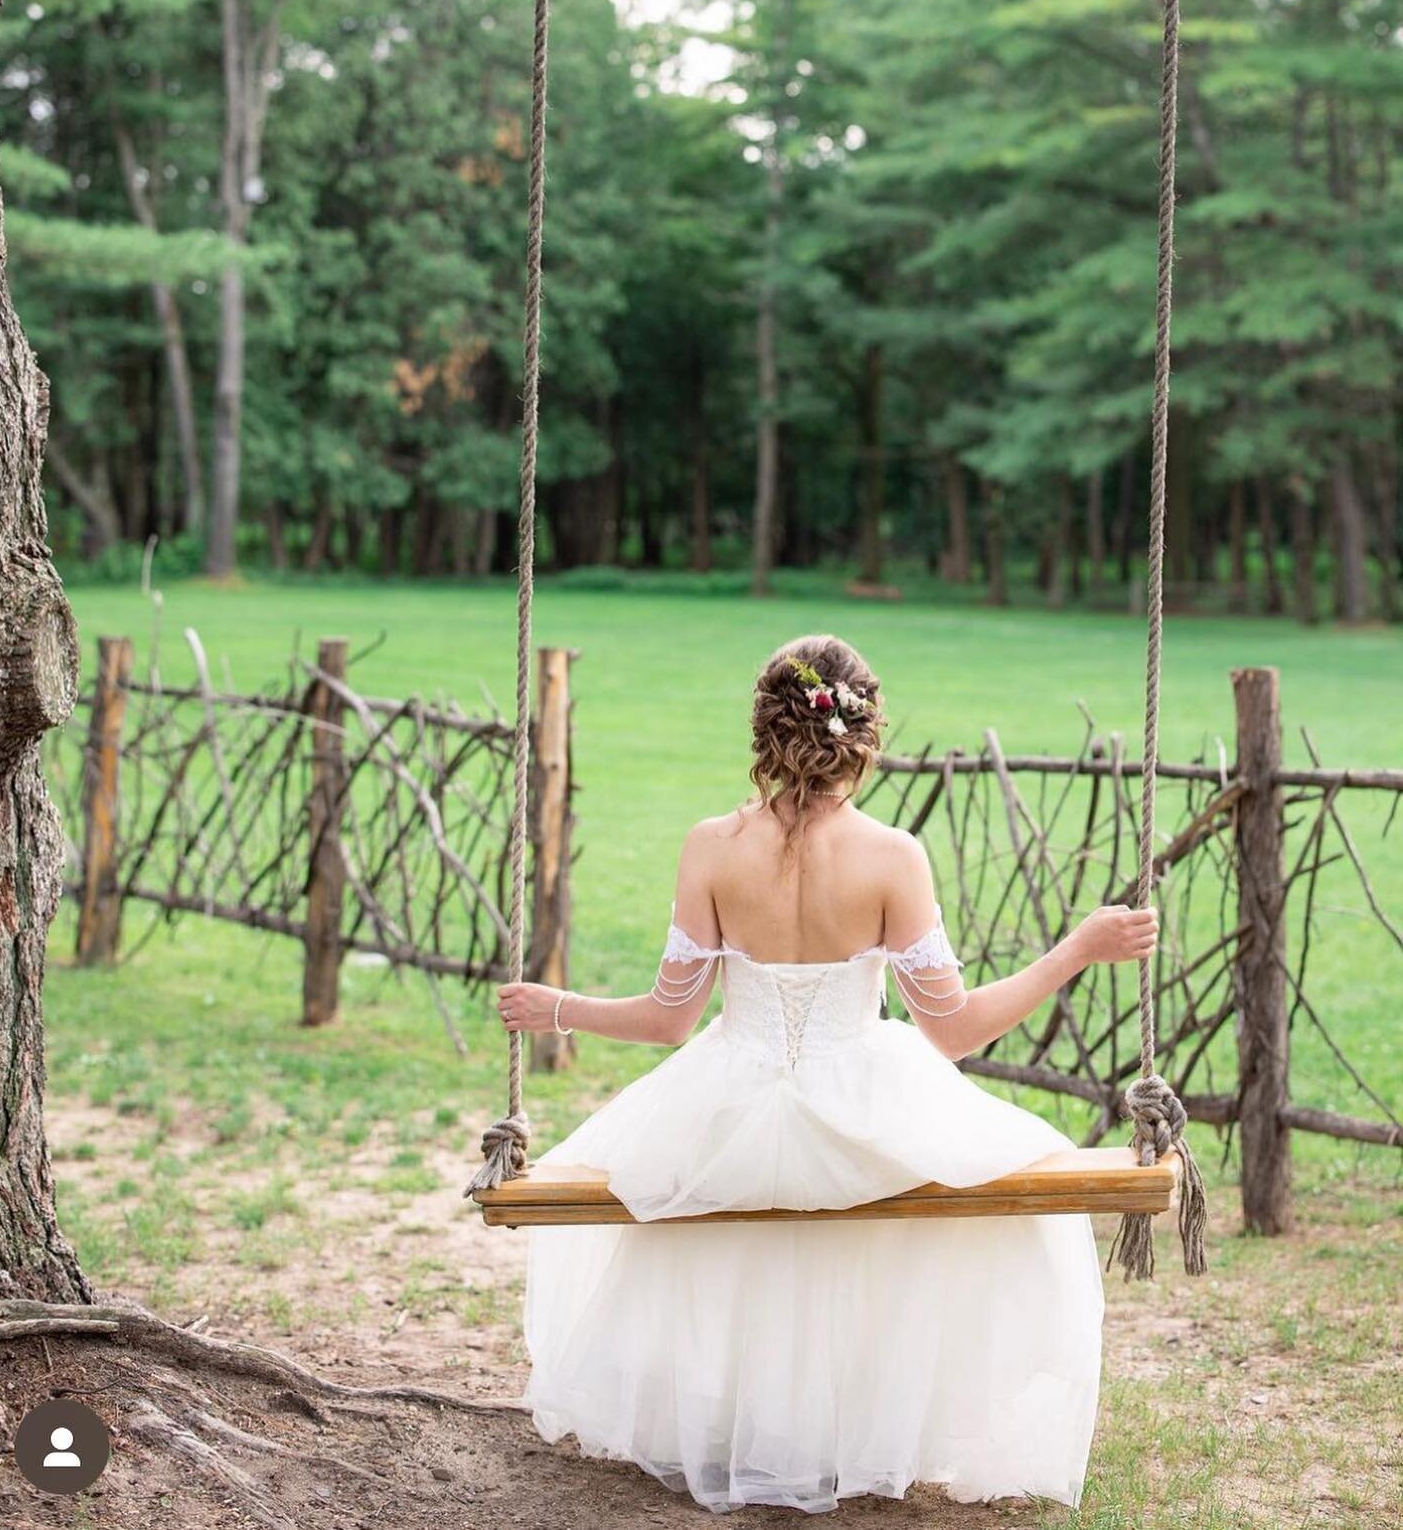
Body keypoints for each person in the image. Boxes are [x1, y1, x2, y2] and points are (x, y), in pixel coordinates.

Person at [495, 634, 1157, 1514]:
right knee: (996, 1191)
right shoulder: (893, 856)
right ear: (865, 733)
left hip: (728, 1096)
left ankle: (750, 1426)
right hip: (862, 1096)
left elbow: (670, 1017)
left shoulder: (711, 847)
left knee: (724, 1222)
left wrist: (559, 1006)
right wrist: (1077, 947)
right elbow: (951, 1029)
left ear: (765, 731)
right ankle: (854, 1427)